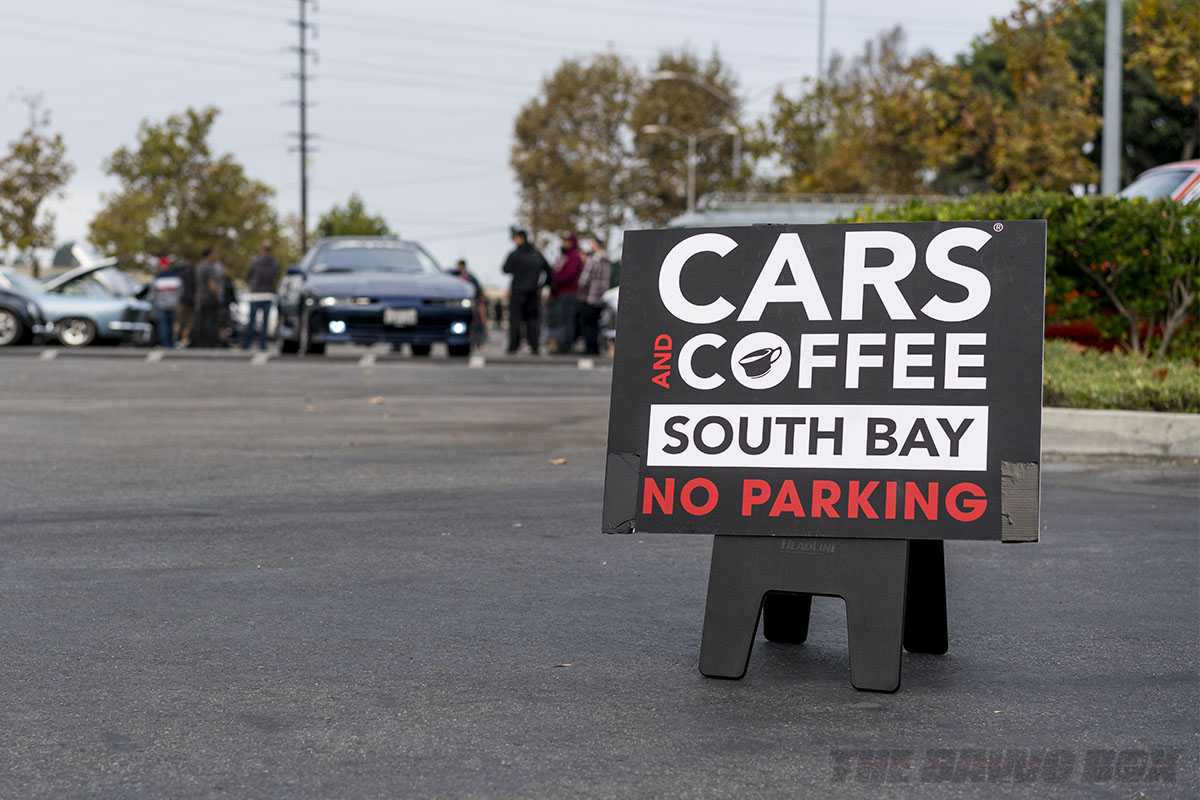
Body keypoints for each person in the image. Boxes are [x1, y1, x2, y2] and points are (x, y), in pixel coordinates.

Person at [501, 227, 551, 355]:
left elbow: (505, 269)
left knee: (516, 321)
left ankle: (513, 346)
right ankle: (534, 346)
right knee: (533, 321)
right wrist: (542, 285)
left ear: (520, 238)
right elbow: (549, 272)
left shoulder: (515, 254)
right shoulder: (537, 254)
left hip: (518, 292)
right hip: (533, 292)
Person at [577, 234, 612, 356]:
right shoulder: (607, 260)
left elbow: (584, 280)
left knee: (587, 324)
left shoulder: (593, 260)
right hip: (601, 297)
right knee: (596, 324)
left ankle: (589, 348)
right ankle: (596, 348)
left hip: (590, 296)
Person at [548, 233, 583, 354]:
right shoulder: (564, 256)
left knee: (567, 320)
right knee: (561, 320)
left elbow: (570, 274)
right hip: (560, 293)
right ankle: (561, 343)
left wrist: (557, 278)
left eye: (567, 241)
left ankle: (566, 345)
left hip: (569, 292)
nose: (565, 244)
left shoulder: (574, 256)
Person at [243, 242, 279, 351]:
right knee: (265, 322)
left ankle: (247, 344)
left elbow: (248, 275)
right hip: (267, 294)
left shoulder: (255, 261)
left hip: (255, 294)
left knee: (251, 321)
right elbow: (275, 276)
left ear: (262, 250)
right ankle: (262, 345)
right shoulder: (274, 263)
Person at [191, 247, 225, 348]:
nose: (215, 256)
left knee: (201, 321)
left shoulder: (199, 266)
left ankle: (200, 342)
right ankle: (210, 342)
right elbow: (211, 283)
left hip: (200, 298)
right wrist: (218, 296)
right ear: (209, 255)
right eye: (214, 254)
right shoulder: (209, 267)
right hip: (209, 298)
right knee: (210, 321)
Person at [148, 255, 184, 349]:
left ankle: (166, 344)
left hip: (162, 305)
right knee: (171, 325)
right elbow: (180, 292)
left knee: (164, 326)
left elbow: (152, 294)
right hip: (173, 305)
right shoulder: (176, 278)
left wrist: (154, 305)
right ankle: (171, 344)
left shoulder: (157, 278)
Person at [451, 258, 487, 346]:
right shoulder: (457, 276)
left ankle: (478, 340)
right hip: (462, 303)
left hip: (471, 303)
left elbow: (478, 290)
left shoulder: (469, 277)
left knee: (476, 322)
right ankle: (475, 339)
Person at [175, 258, 196, 346]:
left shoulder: (179, 274)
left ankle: (175, 339)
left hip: (181, 300)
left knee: (178, 321)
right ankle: (184, 340)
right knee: (188, 323)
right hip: (191, 301)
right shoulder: (194, 274)